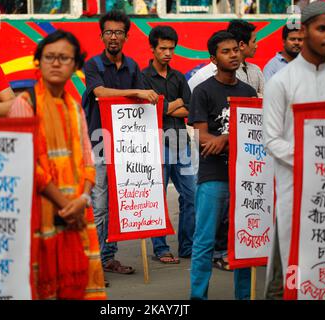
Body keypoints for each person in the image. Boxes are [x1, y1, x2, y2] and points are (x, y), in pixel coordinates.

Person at [262, 1, 325, 300]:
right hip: (293, 191)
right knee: (286, 276)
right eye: (321, 28)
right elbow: (272, 140)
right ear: (304, 30)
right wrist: (312, 159)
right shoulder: (281, 82)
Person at [8, 30, 106, 299]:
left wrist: (83, 198)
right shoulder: (25, 104)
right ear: (38, 62)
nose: (56, 63)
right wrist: (66, 205)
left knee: (76, 285)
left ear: (75, 66)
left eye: (64, 58)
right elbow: (26, 164)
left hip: (76, 211)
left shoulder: (73, 106)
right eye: (49, 57)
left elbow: (88, 157)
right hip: (43, 213)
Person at [83, 10, 158, 276]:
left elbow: (143, 103)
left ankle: (107, 258)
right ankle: (94, 260)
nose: (113, 37)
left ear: (126, 36)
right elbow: (100, 93)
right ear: (101, 36)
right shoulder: (93, 65)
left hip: (126, 148)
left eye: (118, 33)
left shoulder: (134, 67)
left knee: (118, 204)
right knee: (99, 205)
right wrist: (136, 91)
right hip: (99, 145)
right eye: (108, 32)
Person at [188, 30, 257, 300]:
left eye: (236, 50)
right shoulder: (203, 91)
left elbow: (254, 134)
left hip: (245, 176)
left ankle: (243, 296)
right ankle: (197, 296)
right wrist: (230, 139)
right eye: (225, 52)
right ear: (213, 59)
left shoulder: (249, 92)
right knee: (204, 242)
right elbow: (204, 139)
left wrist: (226, 137)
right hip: (213, 176)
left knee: (243, 242)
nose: (233, 55)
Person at [142, 25, 195, 264]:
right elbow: (149, 111)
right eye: (163, 48)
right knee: (157, 196)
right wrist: (173, 105)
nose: (168, 53)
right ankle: (161, 249)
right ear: (152, 48)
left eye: (171, 49)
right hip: (156, 144)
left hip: (181, 142)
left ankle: (187, 246)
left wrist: (164, 106)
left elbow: (190, 109)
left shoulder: (178, 76)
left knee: (191, 195)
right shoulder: (142, 77)